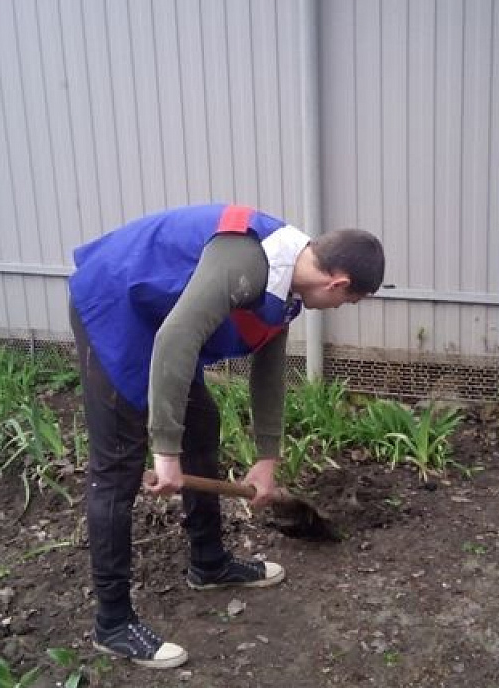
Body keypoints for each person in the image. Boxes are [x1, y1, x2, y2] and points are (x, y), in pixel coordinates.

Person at [67, 203, 385, 669]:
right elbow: (177, 338)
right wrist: (165, 451)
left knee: (202, 425)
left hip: (159, 320)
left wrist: (267, 458)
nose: (340, 308)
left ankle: (209, 562)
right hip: (115, 305)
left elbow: (269, 369)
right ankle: (112, 624)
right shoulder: (248, 262)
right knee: (116, 467)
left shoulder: (286, 280)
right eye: (348, 301)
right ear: (337, 284)